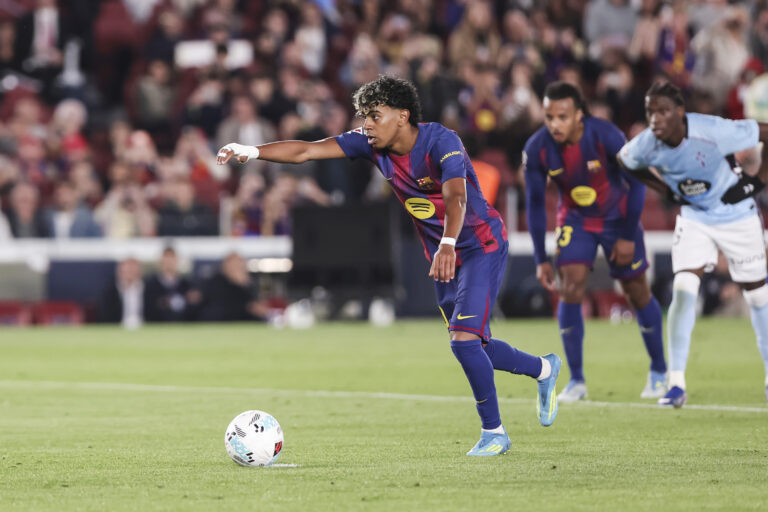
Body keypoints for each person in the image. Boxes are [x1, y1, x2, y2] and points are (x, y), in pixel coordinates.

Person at [216, 75, 562, 456]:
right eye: (363, 116)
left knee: (464, 341)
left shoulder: (441, 141)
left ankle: (494, 433)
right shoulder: (370, 145)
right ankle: (544, 369)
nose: (366, 124)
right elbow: (307, 152)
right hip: (442, 257)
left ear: (403, 116)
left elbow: (456, 194)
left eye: (374, 115)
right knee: (475, 344)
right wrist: (252, 150)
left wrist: (448, 243)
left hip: (479, 246)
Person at [619, 81, 768, 406]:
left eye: (663, 111)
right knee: (684, 289)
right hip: (695, 217)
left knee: (758, 297)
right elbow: (625, 161)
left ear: (680, 113)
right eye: (650, 112)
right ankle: (676, 384)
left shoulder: (713, 130)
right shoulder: (646, 144)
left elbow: (765, 132)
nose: (656, 118)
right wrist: (665, 190)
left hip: (736, 215)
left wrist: (756, 183)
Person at [523, 81, 668, 403]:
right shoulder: (537, 148)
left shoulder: (606, 136)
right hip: (575, 220)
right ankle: (576, 380)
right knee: (570, 287)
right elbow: (534, 204)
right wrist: (539, 259)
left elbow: (638, 185)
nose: (554, 124)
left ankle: (659, 371)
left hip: (618, 218)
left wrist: (629, 235)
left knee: (637, 292)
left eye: (562, 116)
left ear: (579, 115)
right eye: (549, 117)